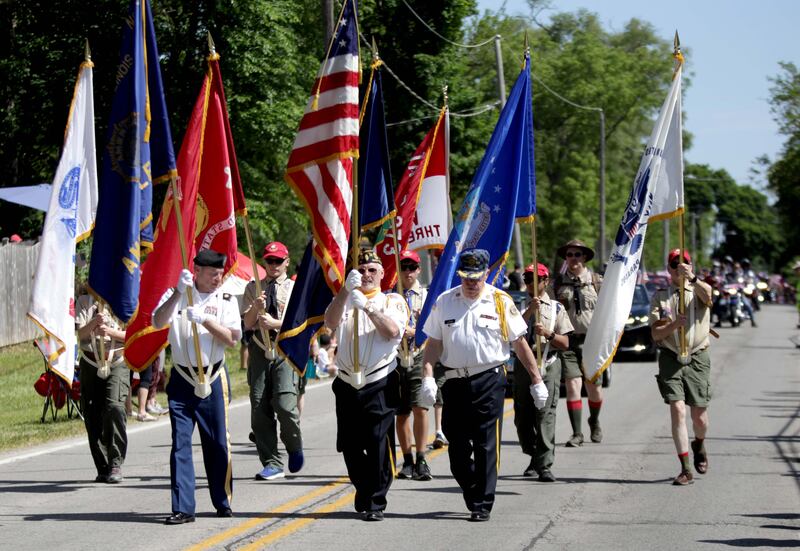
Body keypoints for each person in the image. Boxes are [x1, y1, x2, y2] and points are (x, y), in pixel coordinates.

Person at [421, 248, 549, 522]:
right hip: (454, 380)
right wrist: (428, 375)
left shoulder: (500, 301)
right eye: (466, 277)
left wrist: (536, 379)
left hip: (489, 378)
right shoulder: (445, 301)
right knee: (456, 447)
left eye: (477, 277)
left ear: (487, 273)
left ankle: (482, 503)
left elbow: (519, 343)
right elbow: (433, 343)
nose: (471, 282)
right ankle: (471, 488)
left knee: (484, 442)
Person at [152, 250, 241, 524]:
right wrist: (178, 293)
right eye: (212, 274)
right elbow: (157, 321)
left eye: (219, 274)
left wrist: (205, 320)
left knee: (216, 442)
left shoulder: (225, 299)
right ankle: (183, 507)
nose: (217, 279)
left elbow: (233, 338)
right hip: (181, 379)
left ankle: (222, 500)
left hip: (213, 376)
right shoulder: (176, 293)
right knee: (180, 444)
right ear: (197, 271)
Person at [324, 248, 408, 522]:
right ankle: (364, 488)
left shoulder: (391, 300)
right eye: (361, 269)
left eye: (372, 269)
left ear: (383, 273)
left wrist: (369, 307)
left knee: (376, 442)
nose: (367, 274)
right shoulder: (346, 299)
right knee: (348, 443)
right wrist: (344, 294)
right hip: (348, 381)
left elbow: (392, 331)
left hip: (379, 380)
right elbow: (329, 322)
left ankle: (375, 501)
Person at [649, 249, 713, 486]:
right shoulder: (661, 296)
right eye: (675, 264)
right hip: (671, 356)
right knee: (678, 410)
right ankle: (686, 468)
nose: (679, 267)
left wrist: (694, 279)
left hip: (697, 357)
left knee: (700, 417)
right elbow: (656, 333)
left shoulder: (698, 289)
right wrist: (674, 325)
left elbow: (708, 297)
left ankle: (700, 443)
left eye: (684, 263)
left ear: (690, 265)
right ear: (669, 269)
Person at [242, 241, 302, 481]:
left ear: (287, 262)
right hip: (259, 349)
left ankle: (294, 445)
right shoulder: (253, 287)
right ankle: (272, 462)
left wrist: (276, 324)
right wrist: (256, 308)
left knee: (285, 405)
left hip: (284, 349)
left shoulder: (295, 288)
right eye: (270, 261)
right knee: (259, 407)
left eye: (278, 261)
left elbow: (300, 322)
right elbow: (247, 323)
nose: (274, 265)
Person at [514, 263, 572, 482]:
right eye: (528, 278)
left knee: (545, 414)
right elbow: (510, 331)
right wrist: (529, 311)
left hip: (547, 362)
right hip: (523, 365)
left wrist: (548, 333)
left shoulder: (557, 308)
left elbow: (565, 342)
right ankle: (534, 454)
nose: (532, 282)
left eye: (537, 278)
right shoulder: (516, 304)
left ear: (546, 282)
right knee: (523, 416)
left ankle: (545, 464)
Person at [553, 239, 604, 447]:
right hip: (569, 342)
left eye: (577, 254)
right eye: (569, 254)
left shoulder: (597, 282)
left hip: (592, 342)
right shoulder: (557, 284)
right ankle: (577, 433)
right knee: (574, 385)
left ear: (584, 257)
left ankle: (594, 420)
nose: (573, 258)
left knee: (594, 388)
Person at [76, 292, 128, 484]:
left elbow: (133, 334)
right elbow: (80, 334)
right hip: (90, 363)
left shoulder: (126, 300)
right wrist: (94, 323)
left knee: (114, 407)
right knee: (92, 414)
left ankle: (115, 462)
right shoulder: (84, 301)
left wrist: (111, 332)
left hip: (116, 362)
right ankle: (103, 466)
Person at [394, 250, 433, 481]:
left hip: (419, 355)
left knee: (420, 408)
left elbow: (433, 327)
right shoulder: (391, 296)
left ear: (418, 269)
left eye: (412, 266)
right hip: (397, 357)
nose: (407, 271)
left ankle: (421, 458)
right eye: (404, 266)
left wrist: (416, 332)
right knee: (401, 413)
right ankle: (407, 459)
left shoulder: (427, 296)